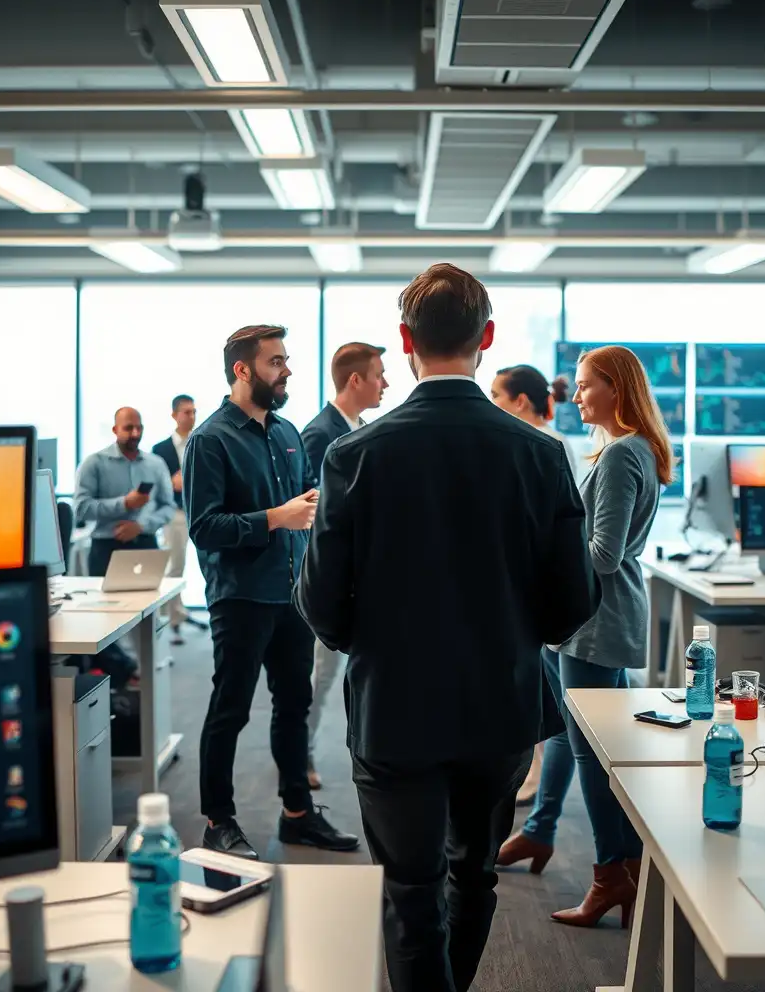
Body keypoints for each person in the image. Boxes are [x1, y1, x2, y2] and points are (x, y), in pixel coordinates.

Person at [295, 263, 597, 992]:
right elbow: (573, 600)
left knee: (409, 890)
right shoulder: (540, 455)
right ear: (486, 339)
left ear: (404, 342)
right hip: (500, 706)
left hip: (394, 708)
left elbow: (321, 602)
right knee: (475, 876)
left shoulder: (355, 454)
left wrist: (373, 641)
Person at [498, 345, 674, 930]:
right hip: (593, 621)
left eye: (585, 385)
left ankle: (609, 875)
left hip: (595, 622)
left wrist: (542, 548)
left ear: (616, 390)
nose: (573, 396)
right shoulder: (626, 450)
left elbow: (603, 554)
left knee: (593, 757)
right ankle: (568, 842)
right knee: (580, 741)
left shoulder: (624, 454)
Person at [183, 324, 360, 860]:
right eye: (276, 362)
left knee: (294, 706)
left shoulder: (285, 433)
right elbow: (205, 527)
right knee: (229, 710)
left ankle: (297, 814)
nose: (286, 371)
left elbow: (305, 507)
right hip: (240, 598)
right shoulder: (210, 440)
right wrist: (274, 518)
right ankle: (219, 821)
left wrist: (309, 512)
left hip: (292, 597)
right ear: (243, 370)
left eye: (285, 361)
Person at [300, 342, 388, 790]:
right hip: (331, 578)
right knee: (317, 675)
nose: (385, 383)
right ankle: (300, 757)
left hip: (359, 576)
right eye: (378, 375)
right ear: (355, 380)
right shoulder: (320, 434)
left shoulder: (359, 427)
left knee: (336, 674)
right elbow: (317, 516)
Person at [490, 364, 578, 807]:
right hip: (529, 585)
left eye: (498, 397)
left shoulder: (549, 446)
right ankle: (534, 774)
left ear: (520, 401)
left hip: (538, 589)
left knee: (544, 691)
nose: (493, 406)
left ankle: (537, 778)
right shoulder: (529, 445)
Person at [74, 407, 178, 689]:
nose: (135, 433)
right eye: (128, 428)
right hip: (106, 547)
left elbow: (169, 507)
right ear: (115, 430)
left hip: (145, 543)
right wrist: (124, 504)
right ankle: (122, 672)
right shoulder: (94, 463)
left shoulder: (155, 464)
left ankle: (149, 670)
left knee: (149, 612)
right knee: (105, 618)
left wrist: (141, 526)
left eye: (139, 427)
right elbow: (81, 508)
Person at [152, 394, 208, 645]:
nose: (192, 416)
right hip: (175, 513)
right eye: (187, 412)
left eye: (194, 411)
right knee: (175, 566)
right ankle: (172, 618)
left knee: (208, 562)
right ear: (175, 415)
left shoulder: (204, 442)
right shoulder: (160, 450)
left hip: (203, 512)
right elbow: (159, 486)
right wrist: (172, 483)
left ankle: (182, 612)